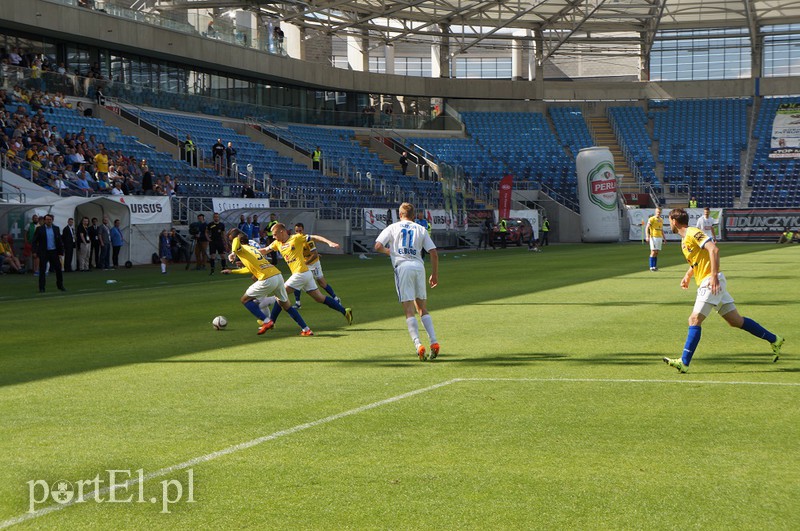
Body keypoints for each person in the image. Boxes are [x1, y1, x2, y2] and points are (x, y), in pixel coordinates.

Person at [663, 208, 784, 373]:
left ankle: (684, 362)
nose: (668, 223)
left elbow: (713, 249)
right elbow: (697, 261)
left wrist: (713, 276)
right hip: (708, 281)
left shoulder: (693, 232)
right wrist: (688, 275)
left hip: (710, 282)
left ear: (674, 221)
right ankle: (775, 339)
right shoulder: (684, 241)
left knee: (694, 319)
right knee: (735, 321)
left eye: (669, 220)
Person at [374, 202, 440, 361]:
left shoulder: (393, 227)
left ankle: (418, 345)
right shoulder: (421, 228)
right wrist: (434, 274)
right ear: (413, 215)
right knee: (422, 308)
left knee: (409, 310)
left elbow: (377, 246)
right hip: (419, 266)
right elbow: (434, 253)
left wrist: (387, 251)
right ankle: (434, 341)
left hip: (402, 267)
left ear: (400, 214)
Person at [223, 228, 313, 336]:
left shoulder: (240, 248)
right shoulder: (252, 249)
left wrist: (233, 251)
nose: (231, 242)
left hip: (267, 278)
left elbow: (236, 242)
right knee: (286, 305)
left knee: (245, 300)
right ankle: (306, 329)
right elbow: (249, 269)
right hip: (277, 275)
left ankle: (266, 321)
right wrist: (232, 271)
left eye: (231, 240)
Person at [261, 223, 353, 326]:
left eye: (274, 234)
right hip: (305, 274)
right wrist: (248, 253)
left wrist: (329, 242)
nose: (273, 237)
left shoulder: (296, 238)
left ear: (281, 232)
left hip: (301, 273)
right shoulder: (277, 243)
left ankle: (270, 322)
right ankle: (345, 311)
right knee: (319, 298)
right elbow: (264, 250)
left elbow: (314, 237)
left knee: (280, 294)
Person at [291, 222, 342, 309]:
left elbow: (314, 254)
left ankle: (336, 298)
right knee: (297, 281)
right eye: (296, 231)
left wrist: (306, 262)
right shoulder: (294, 240)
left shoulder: (308, 240)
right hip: (303, 264)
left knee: (321, 283)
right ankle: (298, 303)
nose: (298, 233)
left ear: (303, 230)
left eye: (300, 230)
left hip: (313, 263)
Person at [32, 214, 65, 293]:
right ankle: (42, 288)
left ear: (52, 220)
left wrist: (61, 252)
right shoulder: (40, 229)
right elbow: (34, 241)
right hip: (44, 252)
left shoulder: (56, 229)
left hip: (54, 252)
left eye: (50, 219)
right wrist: (34, 251)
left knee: (58, 269)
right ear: (44, 220)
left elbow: (59, 241)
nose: (49, 221)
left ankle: (60, 286)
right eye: (47, 219)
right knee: (42, 270)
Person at [645, 207, 664, 272]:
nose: (658, 213)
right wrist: (647, 236)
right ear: (655, 212)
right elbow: (647, 228)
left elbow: (661, 229)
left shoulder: (661, 219)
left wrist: (664, 238)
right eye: (657, 212)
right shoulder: (652, 219)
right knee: (653, 252)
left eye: (660, 212)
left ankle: (654, 266)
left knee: (656, 252)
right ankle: (651, 267)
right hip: (653, 237)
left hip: (659, 237)